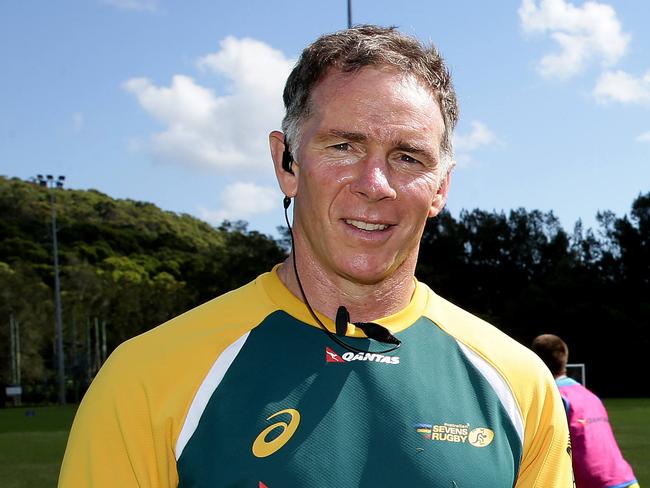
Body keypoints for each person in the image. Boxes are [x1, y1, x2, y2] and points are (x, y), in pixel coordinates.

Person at [60, 25, 573, 487]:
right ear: (286, 163)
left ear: (441, 186)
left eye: (407, 156)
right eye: (343, 146)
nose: (375, 185)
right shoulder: (145, 378)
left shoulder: (518, 382)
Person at [531, 334, 639, 488]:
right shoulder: (591, 396)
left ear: (537, 361)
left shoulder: (555, 397)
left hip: (594, 483)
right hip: (626, 480)